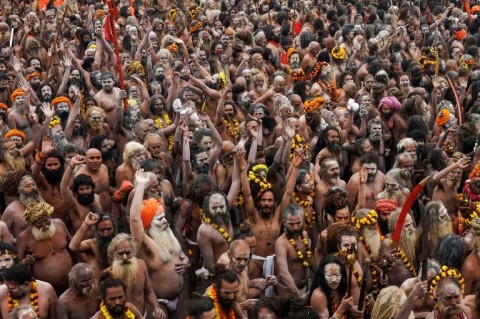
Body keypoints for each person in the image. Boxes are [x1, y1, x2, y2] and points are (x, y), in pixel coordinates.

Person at [130, 170, 187, 317]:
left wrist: (185, 261)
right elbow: (135, 219)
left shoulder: (166, 234)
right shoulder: (144, 243)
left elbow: (181, 255)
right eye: (159, 219)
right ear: (148, 225)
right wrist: (141, 186)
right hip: (158, 301)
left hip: (177, 297)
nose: (165, 221)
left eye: (163, 216)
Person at [16, 201, 73, 294]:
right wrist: (24, 262)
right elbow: (16, 264)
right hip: (46, 290)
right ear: (32, 223)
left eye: (46, 220)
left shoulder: (59, 224)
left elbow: (73, 247)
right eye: (39, 222)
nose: (44, 225)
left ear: (50, 217)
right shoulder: (23, 238)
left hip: (71, 282)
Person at [106, 233, 165, 318]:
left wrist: (157, 307)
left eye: (128, 253)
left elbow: (149, 292)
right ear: (114, 254)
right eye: (120, 253)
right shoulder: (109, 273)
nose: (125, 257)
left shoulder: (141, 265)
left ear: (133, 251)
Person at [275, 204, 317, 297]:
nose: (295, 227)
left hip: (306, 286)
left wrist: (319, 274)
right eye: (291, 224)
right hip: (289, 291)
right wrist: (296, 293)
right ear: (284, 223)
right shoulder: (281, 243)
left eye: (298, 223)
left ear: (303, 220)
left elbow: (309, 259)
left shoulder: (304, 235)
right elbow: (283, 272)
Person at [60, 155, 103, 235]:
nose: (85, 191)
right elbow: (63, 188)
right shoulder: (73, 204)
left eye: (87, 188)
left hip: (97, 241)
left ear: (92, 189)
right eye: (81, 189)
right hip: (80, 243)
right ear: (76, 192)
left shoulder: (96, 198)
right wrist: (71, 165)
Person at [69, 213, 116, 283]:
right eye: (102, 230)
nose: (105, 234)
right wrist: (86, 225)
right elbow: (73, 246)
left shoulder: (120, 242)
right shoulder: (92, 243)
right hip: (98, 284)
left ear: (114, 229)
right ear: (97, 231)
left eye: (109, 229)